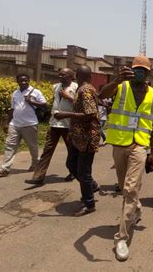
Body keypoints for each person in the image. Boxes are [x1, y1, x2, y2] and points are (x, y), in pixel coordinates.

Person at [99, 55, 153, 262]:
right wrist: (116, 80)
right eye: (136, 69)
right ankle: (137, 209)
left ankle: (121, 238)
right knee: (125, 187)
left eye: (143, 70)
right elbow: (101, 95)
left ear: (148, 73)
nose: (139, 73)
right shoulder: (121, 86)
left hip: (140, 145)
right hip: (119, 143)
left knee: (131, 188)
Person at [53, 65, 100, 217]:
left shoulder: (85, 90)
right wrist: (72, 133)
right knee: (71, 164)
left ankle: (89, 203)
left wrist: (65, 114)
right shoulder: (83, 89)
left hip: (87, 137)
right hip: (77, 136)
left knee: (83, 171)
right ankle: (91, 186)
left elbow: (89, 113)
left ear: (77, 76)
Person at [25, 68, 77, 185]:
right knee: (47, 150)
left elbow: (81, 104)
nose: (60, 77)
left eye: (63, 75)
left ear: (70, 76)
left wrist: (68, 97)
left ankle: (74, 172)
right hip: (54, 123)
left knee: (72, 151)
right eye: (59, 75)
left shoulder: (76, 87)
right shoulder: (56, 86)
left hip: (69, 124)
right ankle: (38, 176)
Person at [0, 74, 47, 178]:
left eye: (25, 80)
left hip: (30, 124)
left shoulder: (36, 92)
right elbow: (12, 109)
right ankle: (5, 168)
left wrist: (32, 101)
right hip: (15, 124)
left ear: (29, 80)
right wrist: (7, 123)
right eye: (21, 81)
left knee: (32, 146)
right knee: (10, 146)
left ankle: (35, 164)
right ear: (17, 82)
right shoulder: (15, 93)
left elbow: (44, 105)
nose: (23, 82)